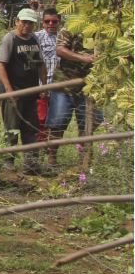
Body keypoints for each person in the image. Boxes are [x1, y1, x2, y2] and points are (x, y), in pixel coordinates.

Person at [46, 16, 103, 165]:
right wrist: (85, 59)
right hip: (64, 83)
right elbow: (59, 49)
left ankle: (84, 159)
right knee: (58, 122)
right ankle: (52, 158)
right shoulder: (71, 27)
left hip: (90, 85)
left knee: (90, 122)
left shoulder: (102, 30)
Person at [0, 8, 46, 174]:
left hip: (30, 90)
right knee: (12, 127)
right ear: (17, 21)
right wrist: (9, 91)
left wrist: (43, 86)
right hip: (13, 90)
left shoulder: (34, 39)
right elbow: (0, 64)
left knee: (31, 126)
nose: (26, 26)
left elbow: (41, 64)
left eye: (30, 23)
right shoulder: (10, 39)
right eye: (24, 22)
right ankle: (8, 163)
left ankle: (31, 164)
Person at [34, 8, 60, 144]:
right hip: (42, 85)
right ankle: (40, 146)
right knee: (41, 118)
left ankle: (51, 146)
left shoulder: (63, 37)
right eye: (47, 21)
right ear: (43, 22)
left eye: (54, 21)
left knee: (56, 119)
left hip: (59, 86)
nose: (51, 24)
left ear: (59, 22)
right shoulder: (36, 37)